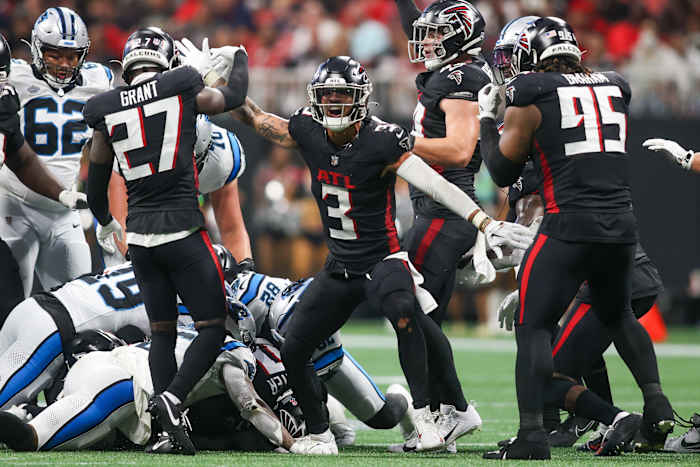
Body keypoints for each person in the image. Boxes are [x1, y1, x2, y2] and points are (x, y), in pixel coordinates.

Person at [227, 54, 532, 454]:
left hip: (382, 260)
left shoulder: (381, 138)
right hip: (339, 265)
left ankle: (425, 421)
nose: (334, 104)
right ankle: (320, 434)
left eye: (343, 96)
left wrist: (483, 222)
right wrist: (227, 79)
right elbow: (255, 117)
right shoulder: (307, 129)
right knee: (294, 345)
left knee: (410, 317)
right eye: (328, 96)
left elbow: (434, 185)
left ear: (361, 99)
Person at [477, 17, 674, 459]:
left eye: (512, 59)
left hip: (568, 224)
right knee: (618, 313)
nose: (507, 69)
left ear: (531, 57)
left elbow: (503, 169)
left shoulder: (532, 93)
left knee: (532, 326)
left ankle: (532, 437)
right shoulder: (614, 85)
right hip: (621, 225)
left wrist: (487, 122)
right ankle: (656, 402)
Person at [84, 28, 249, 455]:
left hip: (139, 236)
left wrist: (105, 221)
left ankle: (162, 429)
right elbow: (231, 98)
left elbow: (96, 181)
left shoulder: (103, 108)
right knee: (213, 327)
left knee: (161, 332)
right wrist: (240, 57)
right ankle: (172, 399)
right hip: (182, 230)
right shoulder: (182, 86)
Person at [393, 0, 491, 445]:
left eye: (435, 34)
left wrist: (399, 141)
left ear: (460, 37)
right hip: (438, 209)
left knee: (407, 308)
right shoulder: (453, 71)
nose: (425, 40)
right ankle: (445, 412)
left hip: (447, 209)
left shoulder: (462, 77)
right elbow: (416, 23)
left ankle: (451, 409)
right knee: (420, 314)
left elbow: (457, 150)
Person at [0, 324, 297, 453]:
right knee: (30, 441)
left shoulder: (184, 333)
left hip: (95, 367)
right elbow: (249, 403)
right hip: (119, 386)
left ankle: (27, 411)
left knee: (40, 431)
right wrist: (293, 445)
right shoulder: (232, 350)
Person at [0, 8, 111, 298]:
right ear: (38, 50)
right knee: (10, 307)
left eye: (72, 56)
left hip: (64, 212)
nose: (64, 63)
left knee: (79, 302)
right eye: (55, 54)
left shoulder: (98, 81)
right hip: (13, 206)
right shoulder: (15, 77)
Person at [227, 268, 410, 436]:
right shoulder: (232, 298)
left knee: (384, 418)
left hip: (306, 348)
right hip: (274, 345)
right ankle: (330, 413)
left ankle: (403, 401)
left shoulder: (259, 301)